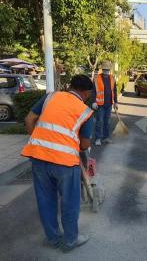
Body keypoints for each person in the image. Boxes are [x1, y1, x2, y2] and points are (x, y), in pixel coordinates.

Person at [21, 74, 94, 252]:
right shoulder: (85, 111)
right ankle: (70, 241)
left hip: (38, 158)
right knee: (70, 203)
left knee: (46, 200)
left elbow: (29, 120)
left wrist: (41, 142)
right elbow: (84, 145)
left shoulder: (50, 97)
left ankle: (53, 238)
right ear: (85, 93)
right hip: (65, 164)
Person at [92, 61, 118, 146]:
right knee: (99, 121)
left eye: (107, 70)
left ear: (109, 70)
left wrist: (116, 102)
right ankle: (98, 138)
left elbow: (114, 90)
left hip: (109, 103)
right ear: (102, 70)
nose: (106, 71)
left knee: (107, 122)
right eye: (105, 70)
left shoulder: (112, 78)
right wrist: (94, 101)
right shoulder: (96, 78)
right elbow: (93, 91)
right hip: (100, 104)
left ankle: (106, 137)